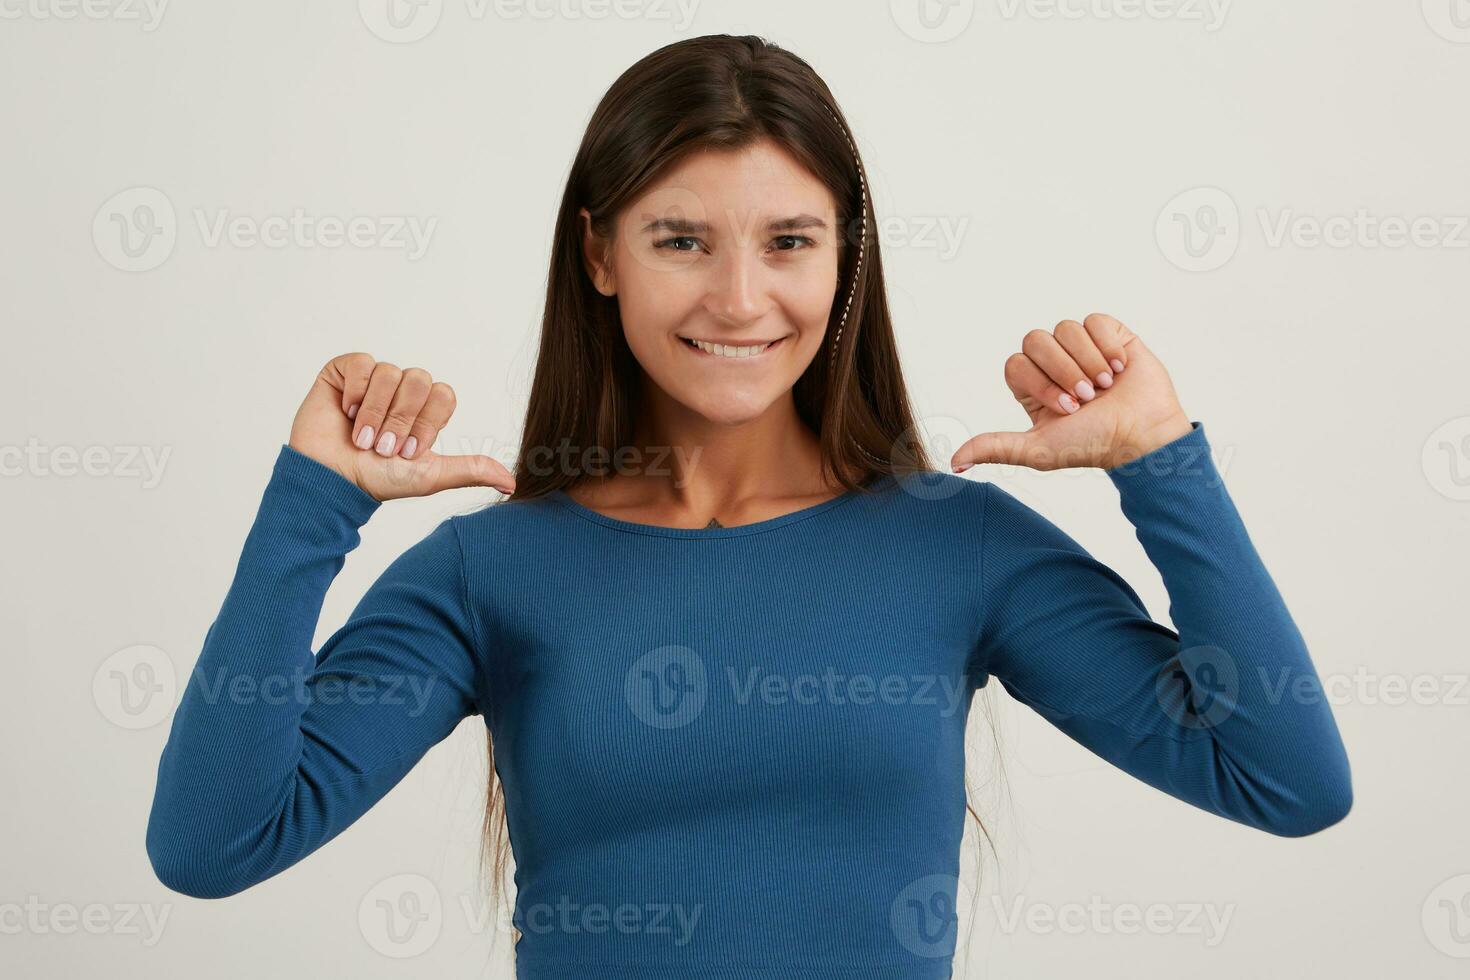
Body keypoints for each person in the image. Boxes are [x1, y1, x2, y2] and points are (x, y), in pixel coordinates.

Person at [145, 33, 1352, 978]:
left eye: (788, 240)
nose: (739, 297)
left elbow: (1287, 778)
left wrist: (1161, 461)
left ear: (844, 260)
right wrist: (312, 505)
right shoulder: (490, 569)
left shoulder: (958, 547)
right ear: (601, 254)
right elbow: (214, 844)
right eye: (680, 239)